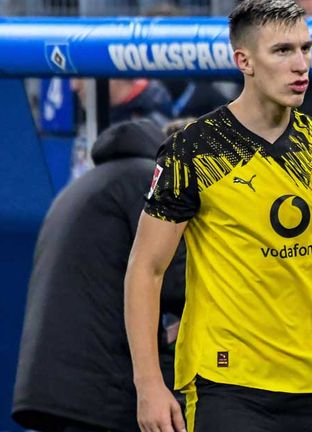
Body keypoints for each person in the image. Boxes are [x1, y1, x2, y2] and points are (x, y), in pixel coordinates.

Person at [124, 1, 312, 432]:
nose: (300, 65)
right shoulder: (195, 150)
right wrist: (147, 382)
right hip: (228, 383)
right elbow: (145, 269)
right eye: (282, 51)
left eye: (305, 49)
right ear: (245, 61)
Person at [12, 119, 186, 432]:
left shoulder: (82, 187)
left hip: (51, 383)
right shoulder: (147, 179)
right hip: (103, 381)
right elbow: (176, 279)